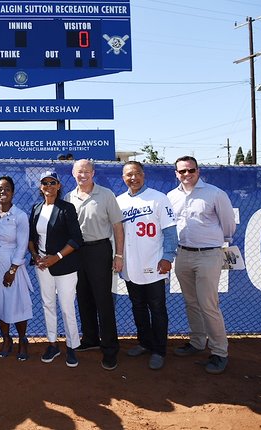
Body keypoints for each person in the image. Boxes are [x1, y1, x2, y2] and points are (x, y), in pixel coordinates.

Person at [167, 156, 236, 375]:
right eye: (182, 171)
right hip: (183, 255)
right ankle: (197, 343)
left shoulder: (215, 193)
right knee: (191, 302)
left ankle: (219, 352)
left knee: (208, 304)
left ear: (198, 171)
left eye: (191, 170)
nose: (187, 175)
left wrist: (213, 242)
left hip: (208, 255)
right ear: (176, 173)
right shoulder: (171, 196)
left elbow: (228, 226)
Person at [116, 161, 177, 370]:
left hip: (154, 262)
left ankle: (159, 350)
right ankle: (145, 342)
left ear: (144, 175)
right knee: (138, 306)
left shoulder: (159, 198)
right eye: (128, 175)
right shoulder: (119, 201)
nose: (133, 178)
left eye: (136, 174)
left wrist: (168, 256)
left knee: (157, 308)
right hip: (130, 264)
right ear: (123, 178)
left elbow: (170, 231)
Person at [65, 159, 124, 370]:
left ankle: (110, 349)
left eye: (87, 171)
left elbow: (117, 226)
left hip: (100, 251)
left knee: (103, 301)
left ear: (93, 173)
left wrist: (119, 256)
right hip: (76, 253)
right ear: (73, 173)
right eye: (79, 172)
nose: (83, 175)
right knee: (83, 297)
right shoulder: (68, 197)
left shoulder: (106, 195)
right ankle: (90, 339)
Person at [29, 171, 84, 368]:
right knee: (48, 305)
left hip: (65, 264)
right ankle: (53, 344)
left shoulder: (67, 208)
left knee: (67, 306)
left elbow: (76, 239)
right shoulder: (36, 208)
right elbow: (31, 239)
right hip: (42, 265)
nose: (49, 186)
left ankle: (71, 346)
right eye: (45, 183)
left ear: (59, 186)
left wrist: (57, 257)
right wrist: (36, 256)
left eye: (53, 182)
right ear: (40, 186)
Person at [0, 176, 33, 361]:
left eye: (7, 189)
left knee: (15, 303)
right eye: (0, 189)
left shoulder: (20, 216)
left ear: (13, 192)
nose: (3, 192)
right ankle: (6, 339)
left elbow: (22, 244)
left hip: (13, 264)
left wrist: (12, 270)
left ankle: (22, 340)